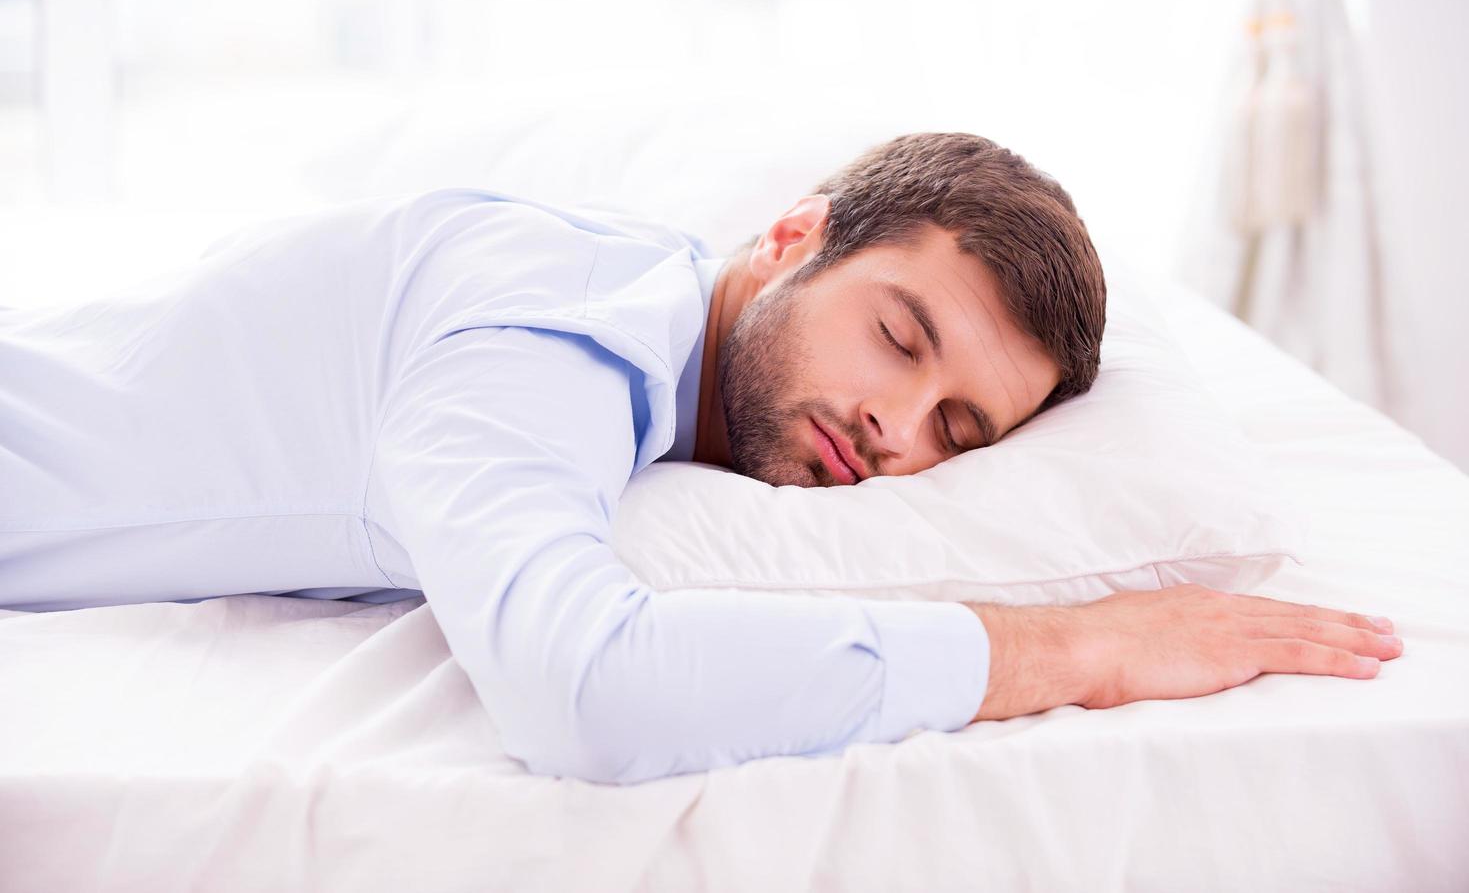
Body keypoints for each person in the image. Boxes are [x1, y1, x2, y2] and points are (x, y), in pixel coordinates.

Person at [0, 132, 1403, 785]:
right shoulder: (549, 335)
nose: (895, 435)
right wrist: (1075, 651)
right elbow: (581, 689)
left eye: (958, 434)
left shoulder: (652, 337)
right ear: (794, 236)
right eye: (898, 338)